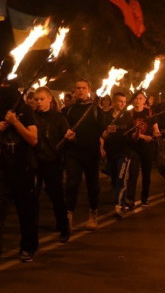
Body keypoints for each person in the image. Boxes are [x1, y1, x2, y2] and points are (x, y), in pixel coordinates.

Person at [0, 81, 39, 271]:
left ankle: (28, 247)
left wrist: (15, 122)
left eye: (6, 86)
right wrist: (0, 129)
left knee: (26, 211)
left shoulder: (26, 110)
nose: (3, 90)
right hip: (3, 168)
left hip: (24, 168)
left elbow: (33, 139)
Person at [61, 79, 104, 231]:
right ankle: (68, 215)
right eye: (78, 88)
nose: (81, 90)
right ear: (74, 90)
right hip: (74, 153)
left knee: (93, 186)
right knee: (71, 185)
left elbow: (102, 131)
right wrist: (66, 134)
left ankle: (93, 214)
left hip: (91, 154)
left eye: (83, 88)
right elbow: (62, 129)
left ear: (89, 90)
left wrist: (107, 135)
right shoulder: (68, 110)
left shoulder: (96, 110)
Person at [33, 86, 70, 242]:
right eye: (36, 99)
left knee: (57, 196)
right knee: (32, 197)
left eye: (42, 99)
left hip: (52, 161)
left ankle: (63, 227)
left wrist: (69, 137)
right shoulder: (31, 117)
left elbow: (66, 137)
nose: (39, 102)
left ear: (49, 99)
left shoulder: (59, 118)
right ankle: (31, 227)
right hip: (34, 162)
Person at [100, 92, 137, 218]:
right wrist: (107, 133)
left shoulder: (127, 117)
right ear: (114, 102)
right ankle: (122, 200)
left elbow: (133, 136)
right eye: (120, 101)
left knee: (121, 178)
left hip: (124, 153)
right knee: (115, 179)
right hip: (111, 153)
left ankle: (119, 205)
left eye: (124, 102)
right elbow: (103, 135)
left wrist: (137, 130)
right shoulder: (106, 116)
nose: (122, 104)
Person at [130, 92, 160, 206]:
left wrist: (156, 133)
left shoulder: (150, 112)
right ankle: (130, 199)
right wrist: (143, 136)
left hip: (148, 147)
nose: (137, 100)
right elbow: (131, 132)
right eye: (136, 98)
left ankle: (145, 197)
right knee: (133, 173)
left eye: (140, 98)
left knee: (146, 174)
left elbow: (155, 128)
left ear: (144, 100)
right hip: (135, 147)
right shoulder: (130, 113)